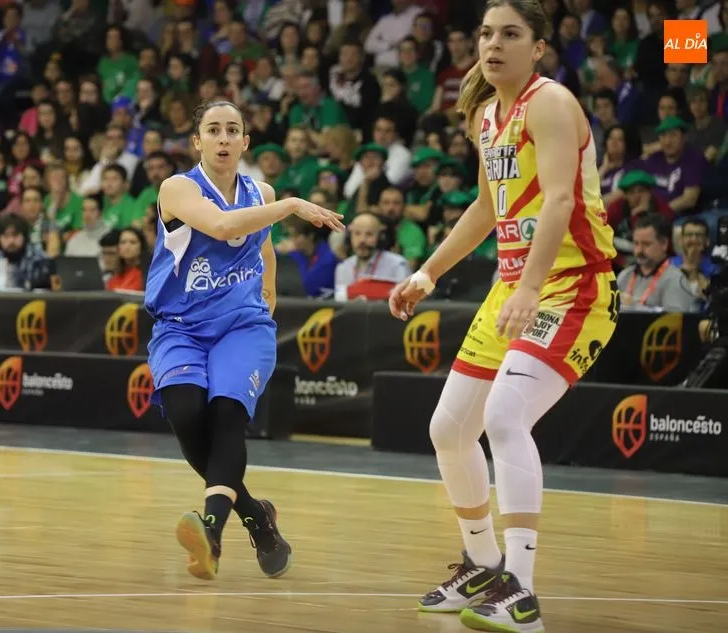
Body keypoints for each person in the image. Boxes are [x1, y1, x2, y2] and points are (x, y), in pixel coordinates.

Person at [388, 2, 619, 632]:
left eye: (510, 34)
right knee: (448, 429)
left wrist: (532, 286)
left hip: (573, 287)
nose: (493, 44)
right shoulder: (486, 115)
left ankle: (521, 589)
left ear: (538, 47)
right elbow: (487, 209)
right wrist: (427, 273)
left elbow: (561, 199)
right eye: (487, 33)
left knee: (505, 415)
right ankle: (483, 563)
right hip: (515, 288)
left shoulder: (550, 102)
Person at [145, 99, 343, 581]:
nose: (224, 138)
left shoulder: (260, 191)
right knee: (188, 416)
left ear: (245, 142)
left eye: (233, 130)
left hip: (241, 326)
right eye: (214, 129)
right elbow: (222, 225)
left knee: (227, 415)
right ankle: (256, 516)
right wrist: (291, 205)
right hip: (180, 326)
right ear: (198, 141)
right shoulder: (177, 188)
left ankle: (211, 533)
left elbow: (265, 251)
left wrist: (265, 305)